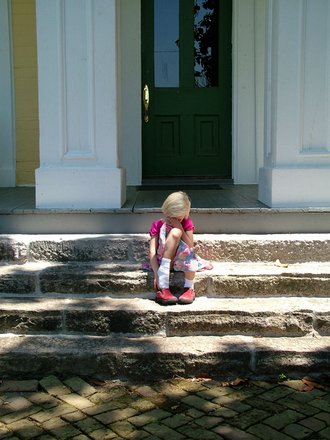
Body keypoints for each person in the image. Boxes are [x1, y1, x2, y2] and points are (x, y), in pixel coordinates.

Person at [149, 191, 212, 305]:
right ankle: (163, 287)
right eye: (173, 216)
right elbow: (152, 252)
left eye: (180, 216)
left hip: (183, 261)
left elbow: (191, 247)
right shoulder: (158, 225)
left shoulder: (186, 222)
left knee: (177, 232)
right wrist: (157, 273)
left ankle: (189, 288)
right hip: (164, 262)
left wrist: (180, 228)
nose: (177, 219)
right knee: (175, 233)